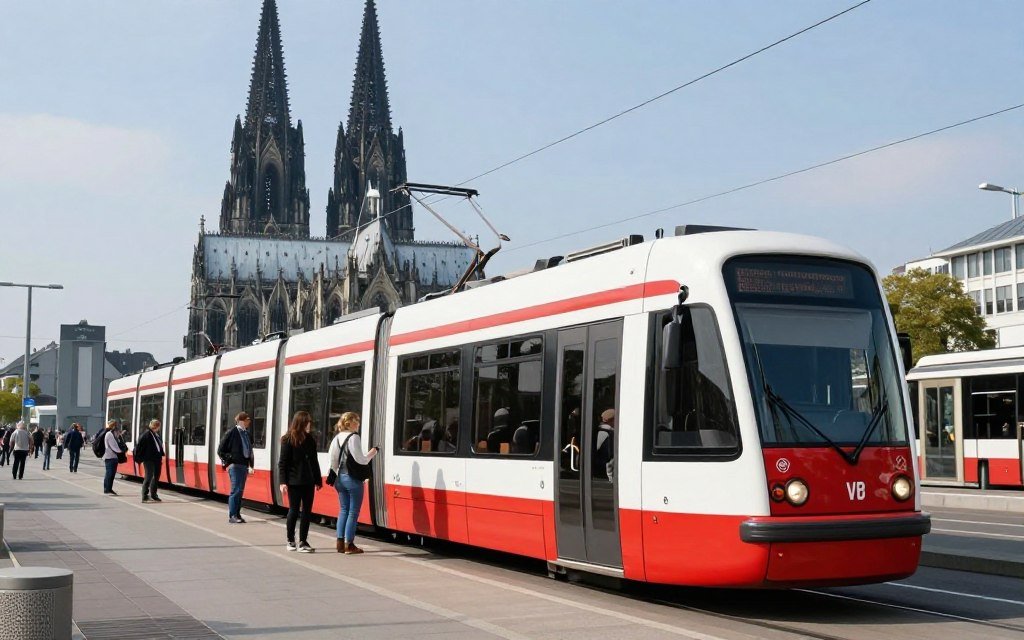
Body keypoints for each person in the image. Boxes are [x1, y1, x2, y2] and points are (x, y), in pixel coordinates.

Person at [328, 411, 377, 554]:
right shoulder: (354, 437)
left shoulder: (337, 437)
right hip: (352, 479)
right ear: (351, 423)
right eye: (357, 421)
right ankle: (349, 544)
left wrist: (338, 473)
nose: (359, 424)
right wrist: (372, 453)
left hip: (339, 479)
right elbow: (360, 459)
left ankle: (339, 542)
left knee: (343, 510)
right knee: (353, 512)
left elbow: (333, 460)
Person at [278, 411, 322, 552]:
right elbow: (283, 463)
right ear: (301, 423)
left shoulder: (310, 439)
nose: (310, 424)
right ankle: (290, 540)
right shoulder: (287, 439)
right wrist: (282, 482)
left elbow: (314, 461)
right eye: (307, 421)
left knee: (307, 512)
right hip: (293, 481)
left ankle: (303, 541)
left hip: (308, 480)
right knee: (294, 510)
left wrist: (318, 480)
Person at [217, 412, 255, 524]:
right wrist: (230, 459)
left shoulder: (247, 434)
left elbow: (249, 449)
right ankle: (232, 515)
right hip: (235, 465)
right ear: (241, 421)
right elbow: (220, 450)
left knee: (240, 490)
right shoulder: (231, 432)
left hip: (244, 465)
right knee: (236, 490)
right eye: (247, 420)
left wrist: (251, 465)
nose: (249, 422)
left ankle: (237, 514)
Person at [134, 419, 165, 503]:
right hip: (149, 459)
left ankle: (154, 495)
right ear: (156, 426)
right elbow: (139, 446)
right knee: (149, 476)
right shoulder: (146, 434)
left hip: (157, 458)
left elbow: (158, 445)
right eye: (158, 426)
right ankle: (144, 495)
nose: (159, 428)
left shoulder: (155, 435)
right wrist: (140, 458)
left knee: (156, 476)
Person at [102, 420, 124, 495]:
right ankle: (107, 489)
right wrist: (120, 451)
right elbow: (113, 446)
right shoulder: (109, 434)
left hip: (113, 457)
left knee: (112, 473)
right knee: (109, 473)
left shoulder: (113, 434)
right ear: (114, 426)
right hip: (109, 457)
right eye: (116, 425)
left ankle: (109, 488)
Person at [594, 408, 615, 481]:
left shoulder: (599, 430)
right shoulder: (607, 433)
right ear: (612, 420)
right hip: (604, 471)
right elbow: (609, 457)